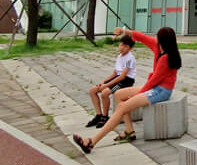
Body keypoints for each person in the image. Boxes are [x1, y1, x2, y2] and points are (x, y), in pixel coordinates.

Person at [72, 25, 181, 153]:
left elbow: (152, 82)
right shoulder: (159, 47)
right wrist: (123, 31)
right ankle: (129, 131)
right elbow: (142, 37)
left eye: (157, 36)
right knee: (118, 94)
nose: (154, 38)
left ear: (163, 40)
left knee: (122, 107)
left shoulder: (165, 59)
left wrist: (135, 97)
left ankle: (91, 142)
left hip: (161, 91)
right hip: (155, 87)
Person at [85, 34, 137, 127]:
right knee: (93, 90)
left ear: (130, 48)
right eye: (121, 45)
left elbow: (122, 76)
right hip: (117, 77)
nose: (122, 48)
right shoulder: (119, 56)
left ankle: (105, 117)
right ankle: (98, 115)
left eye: (125, 46)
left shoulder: (130, 58)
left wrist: (106, 85)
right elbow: (114, 73)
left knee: (105, 93)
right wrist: (103, 82)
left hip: (125, 80)